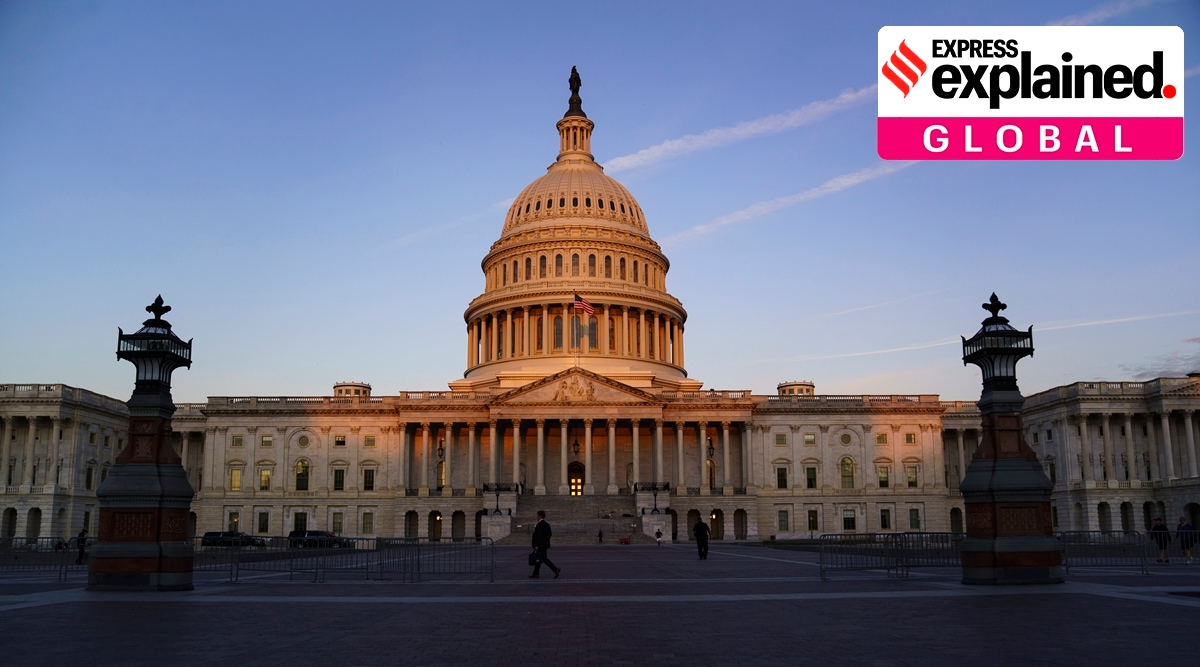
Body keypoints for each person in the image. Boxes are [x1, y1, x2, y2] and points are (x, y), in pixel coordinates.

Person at [530, 510, 560, 579]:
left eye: (537, 515)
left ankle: (555, 569)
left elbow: (538, 536)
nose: (536, 517)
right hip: (544, 545)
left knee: (543, 559)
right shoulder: (546, 524)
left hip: (540, 546)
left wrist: (537, 545)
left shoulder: (540, 524)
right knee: (538, 558)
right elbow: (549, 534)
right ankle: (536, 573)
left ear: (540, 516)